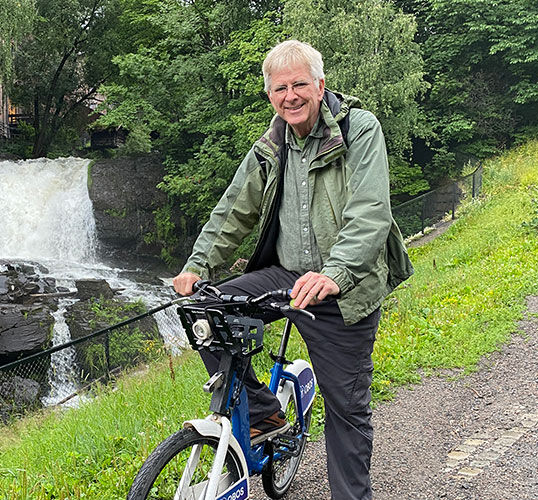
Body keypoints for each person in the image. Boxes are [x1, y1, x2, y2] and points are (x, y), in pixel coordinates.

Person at [171, 40, 413, 500]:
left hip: (345, 288)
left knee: (346, 409)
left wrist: (335, 274)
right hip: (286, 275)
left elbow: (370, 213)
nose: (291, 95)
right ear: (270, 97)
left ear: (320, 86)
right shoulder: (272, 145)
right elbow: (232, 212)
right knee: (205, 309)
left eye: (300, 83)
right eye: (280, 88)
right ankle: (263, 411)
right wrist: (197, 265)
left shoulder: (358, 130)